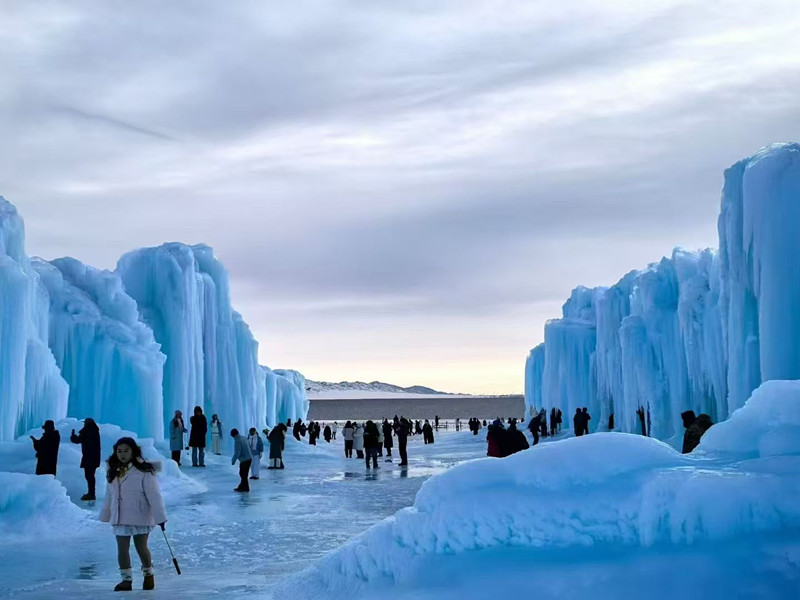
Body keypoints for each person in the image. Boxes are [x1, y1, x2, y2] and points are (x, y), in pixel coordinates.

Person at [100, 437, 166, 591]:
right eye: (119, 451)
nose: (122, 454)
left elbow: (154, 495)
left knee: (141, 547)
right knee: (122, 548)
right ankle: (126, 580)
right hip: (120, 515)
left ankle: (148, 574)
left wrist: (160, 517)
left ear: (133, 451)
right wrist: (106, 514)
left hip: (140, 515)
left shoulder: (144, 470)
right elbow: (109, 494)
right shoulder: (113, 470)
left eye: (126, 451)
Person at [70, 418, 101, 500]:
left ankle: (91, 494)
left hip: (89, 458)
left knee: (89, 475)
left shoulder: (87, 431)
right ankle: (91, 493)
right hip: (94, 458)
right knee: (90, 475)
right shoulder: (95, 431)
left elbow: (77, 440)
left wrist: (73, 436)